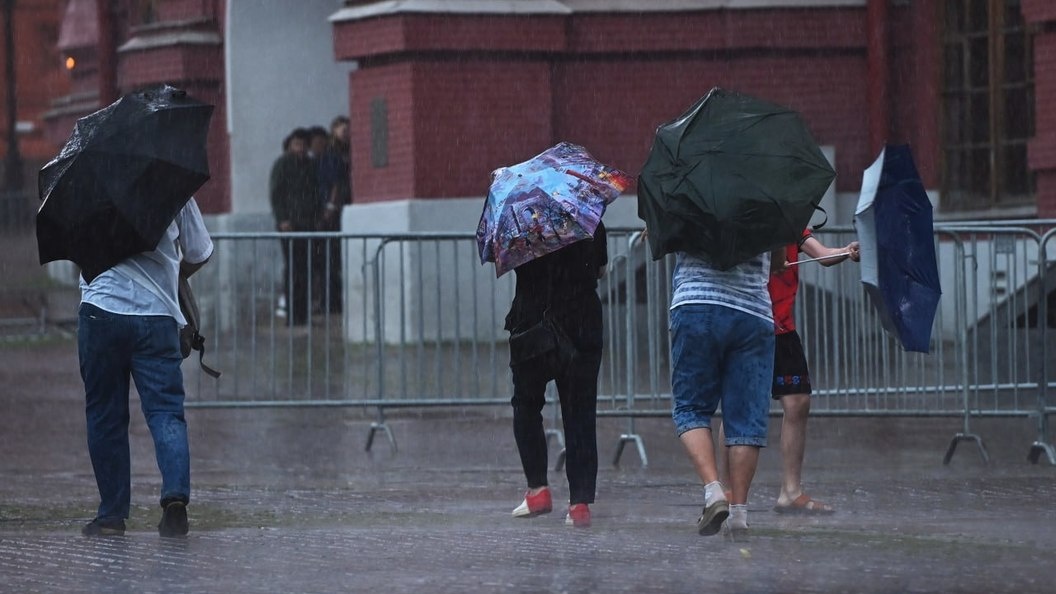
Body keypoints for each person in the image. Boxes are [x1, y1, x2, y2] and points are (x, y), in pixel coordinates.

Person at [78, 198, 213, 537]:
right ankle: (175, 499)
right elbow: (200, 252)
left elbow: (75, 245)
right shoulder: (173, 185)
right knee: (166, 412)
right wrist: (169, 272)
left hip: (100, 310)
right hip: (157, 315)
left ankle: (111, 516)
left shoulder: (85, 184)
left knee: (105, 415)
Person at [668, 243, 783, 540]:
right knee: (745, 419)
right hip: (752, 312)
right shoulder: (767, 210)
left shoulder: (687, 209)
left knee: (691, 408)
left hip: (696, 302)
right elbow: (778, 260)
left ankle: (714, 491)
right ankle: (739, 515)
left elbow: (668, 241)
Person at [506, 223, 608, 528]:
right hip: (581, 320)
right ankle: (579, 505)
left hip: (533, 320)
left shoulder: (520, 221)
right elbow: (600, 271)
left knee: (526, 404)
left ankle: (538, 489)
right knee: (580, 412)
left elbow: (510, 262)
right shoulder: (587, 217)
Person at [764, 231, 859, 514]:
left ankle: (791, 492)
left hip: (782, 326)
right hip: (749, 318)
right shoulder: (746, 214)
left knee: (798, 400)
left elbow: (822, 255)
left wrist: (846, 251)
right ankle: (729, 492)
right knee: (738, 404)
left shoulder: (792, 222)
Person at [270, 127, 319, 326]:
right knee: (293, 268)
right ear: (290, 145)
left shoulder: (310, 165)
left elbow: (316, 192)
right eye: (297, 144)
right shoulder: (283, 164)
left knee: (306, 269)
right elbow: (276, 193)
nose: (300, 148)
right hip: (290, 225)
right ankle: (292, 313)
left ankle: (303, 313)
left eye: (303, 145)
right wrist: (283, 219)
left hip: (307, 224)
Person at [314, 116, 352, 314]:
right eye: (342, 129)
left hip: (341, 209)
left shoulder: (348, 152)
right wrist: (330, 206)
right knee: (329, 258)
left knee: (334, 258)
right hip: (332, 210)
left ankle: (333, 300)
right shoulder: (332, 154)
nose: (346, 133)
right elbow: (335, 182)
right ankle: (329, 300)